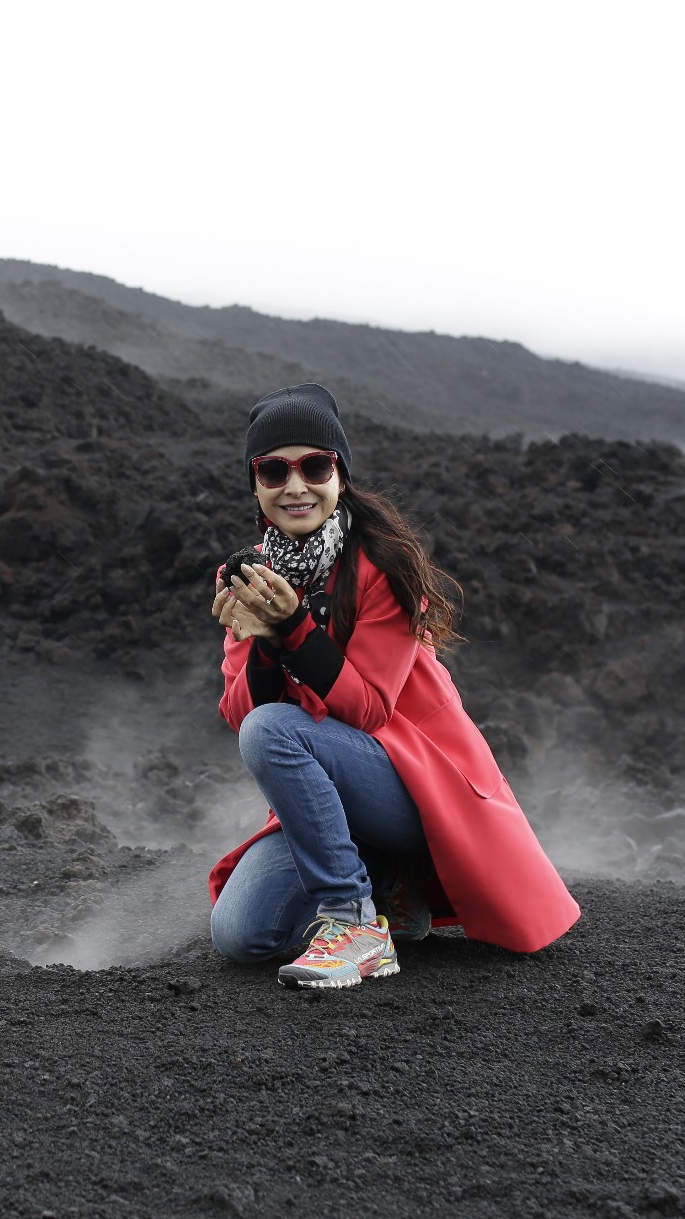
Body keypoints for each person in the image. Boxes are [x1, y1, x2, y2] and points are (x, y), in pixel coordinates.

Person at [208, 382, 580, 989]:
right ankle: (386, 884)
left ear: (341, 475)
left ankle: (354, 923)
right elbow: (240, 713)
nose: (295, 485)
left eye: (315, 465)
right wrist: (268, 645)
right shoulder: (251, 576)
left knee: (273, 729)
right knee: (242, 937)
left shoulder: (383, 565)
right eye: (274, 470)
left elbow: (369, 709)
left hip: (411, 791)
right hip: (339, 798)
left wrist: (291, 627)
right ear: (255, 485)